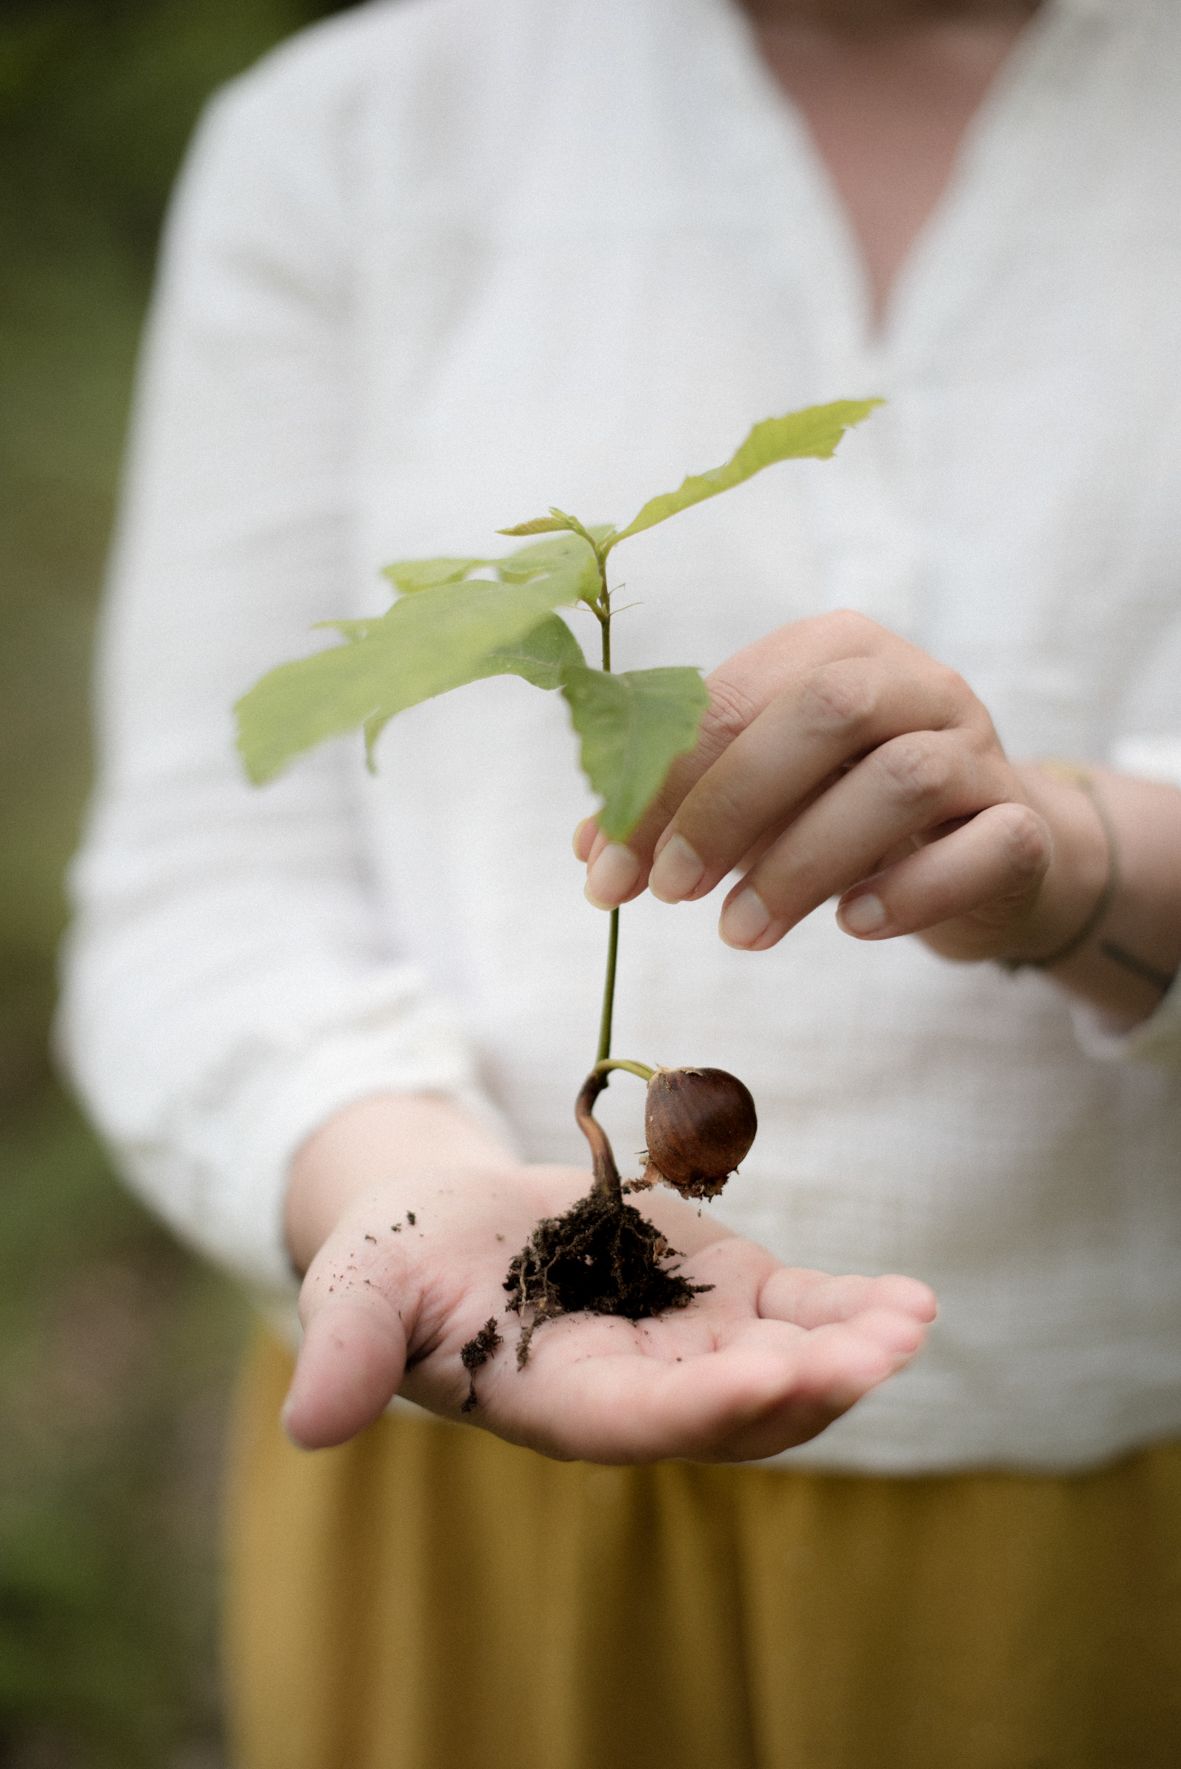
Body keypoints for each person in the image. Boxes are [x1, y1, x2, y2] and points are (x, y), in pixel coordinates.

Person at [58, 0, 1181, 1763]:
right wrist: (398, 1183)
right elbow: (211, 870)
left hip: (1098, 1488)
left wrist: (1075, 859)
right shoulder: (357, 133)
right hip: (468, 1513)